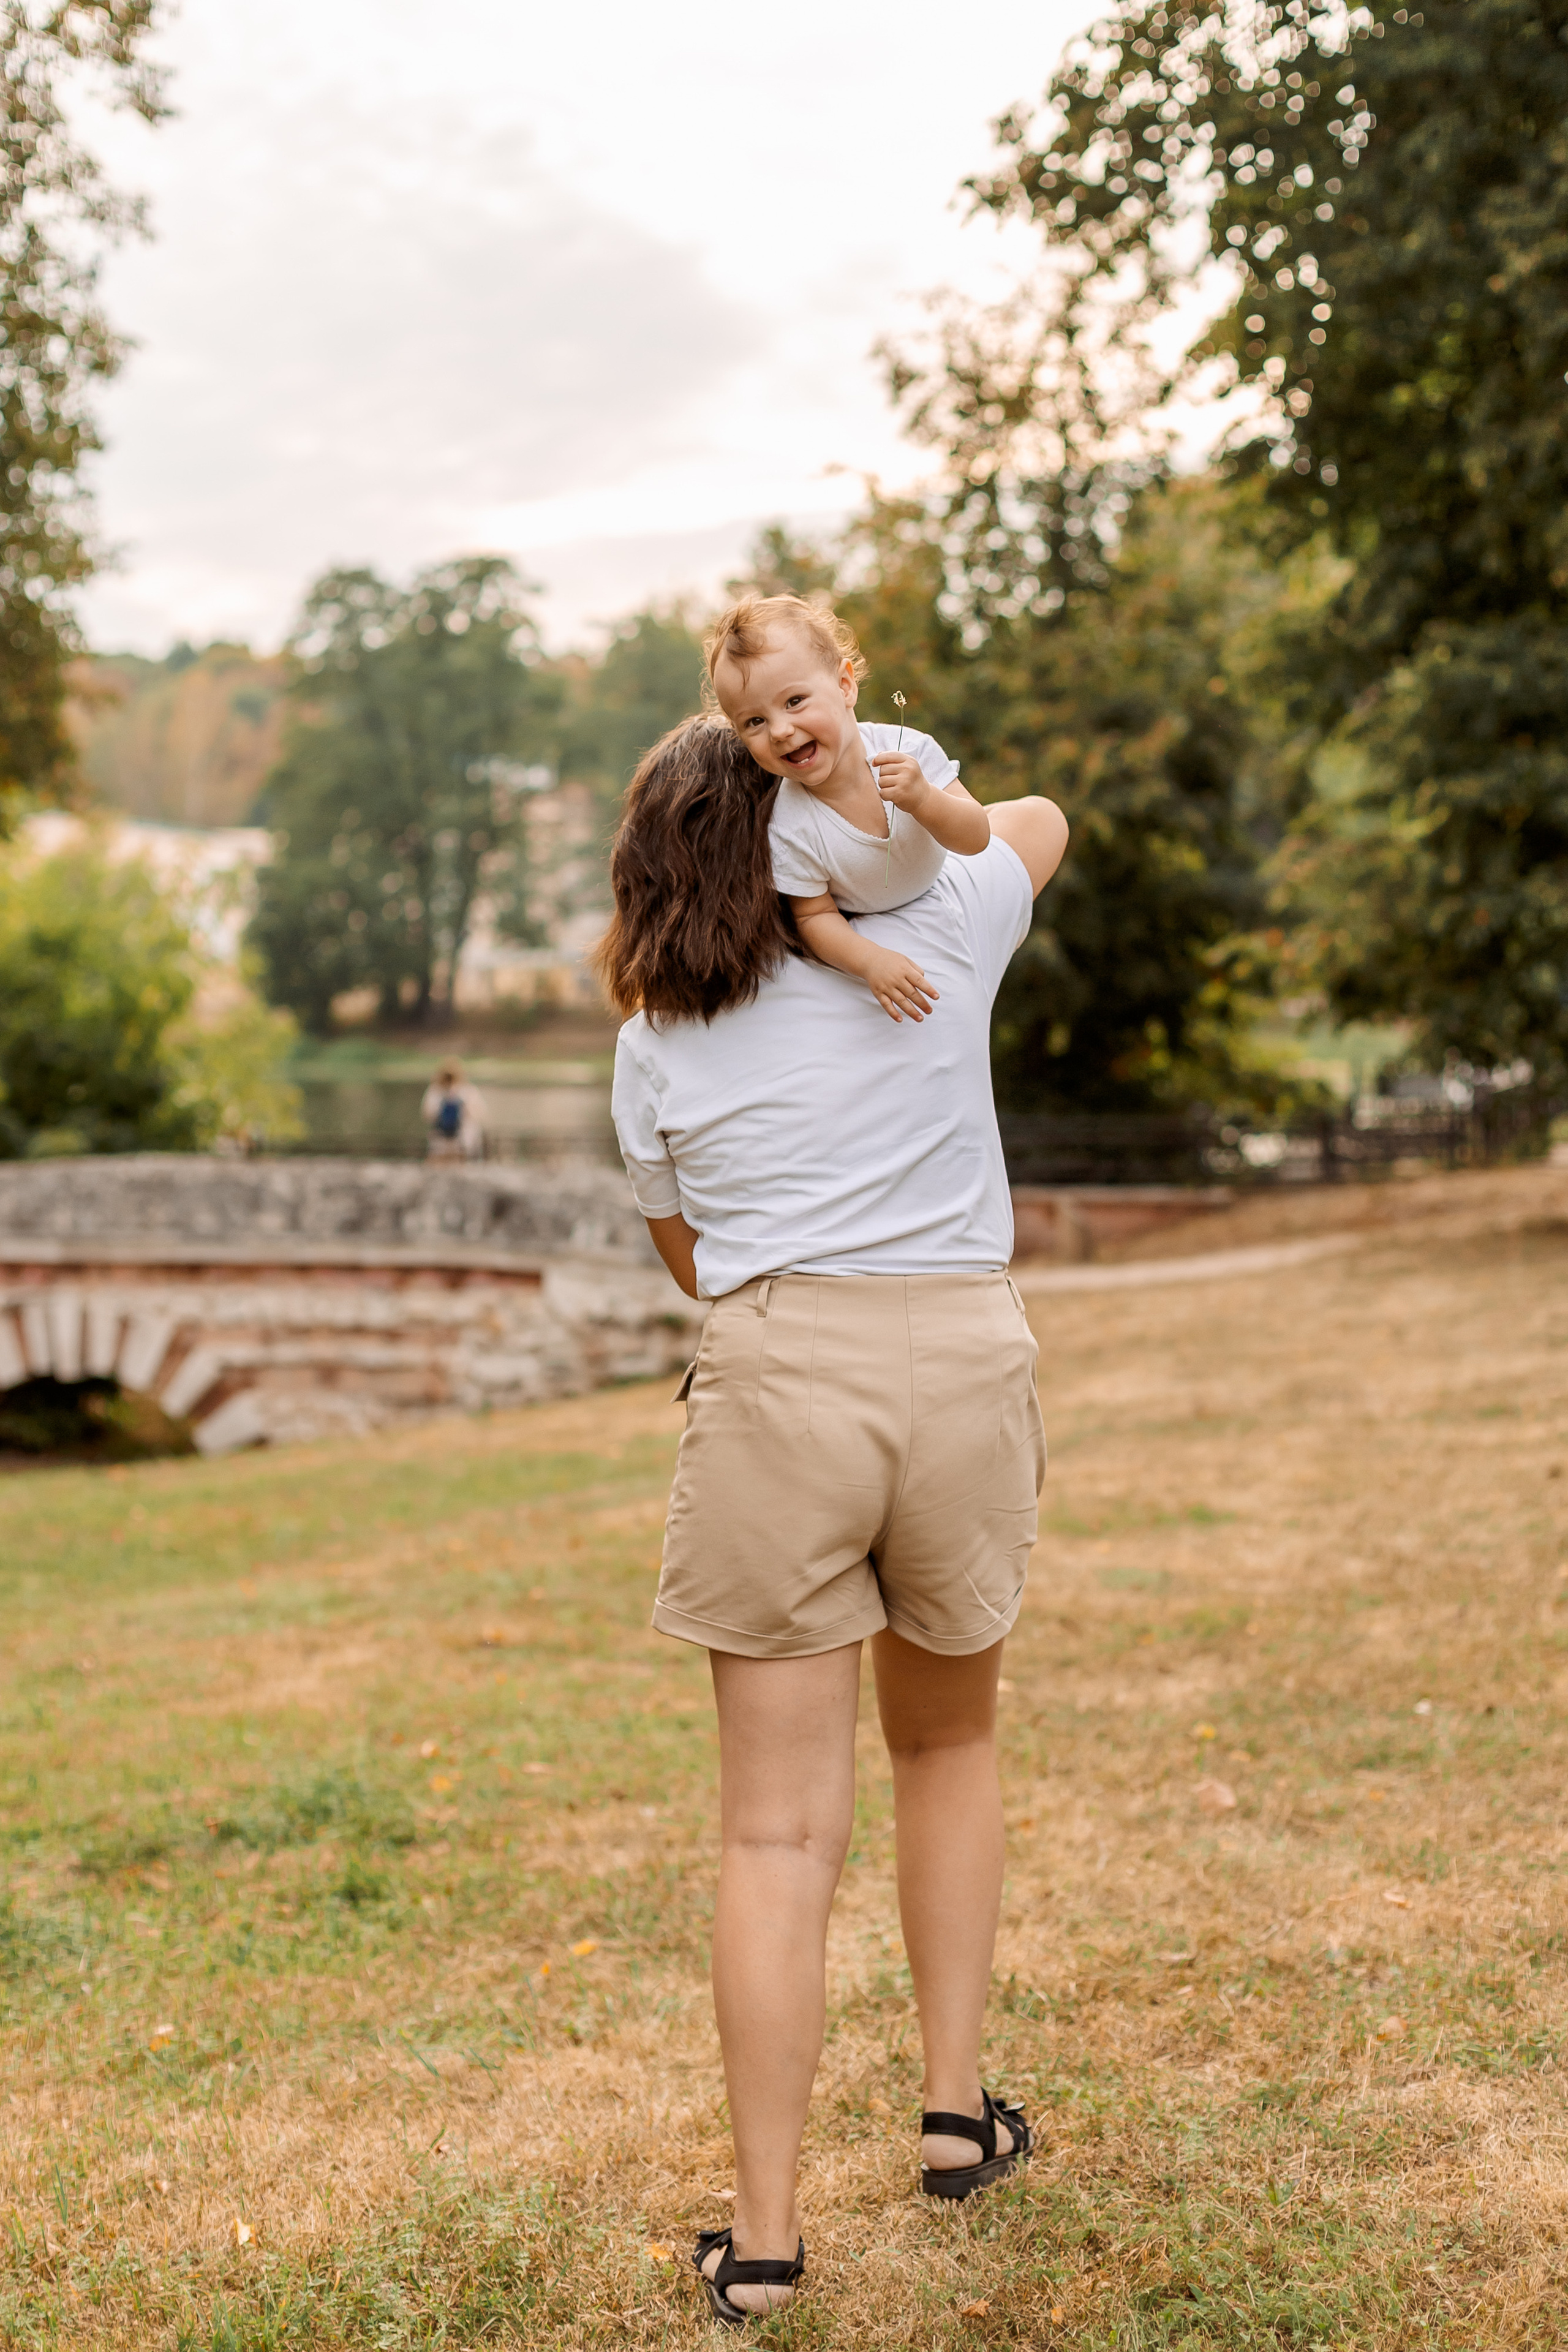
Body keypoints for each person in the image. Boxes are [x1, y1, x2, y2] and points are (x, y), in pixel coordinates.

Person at [598, 713, 1069, 2327]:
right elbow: (1043, 817)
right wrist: (866, 769)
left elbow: (689, 1256)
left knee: (774, 1832)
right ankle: (954, 2119)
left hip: (784, 1360)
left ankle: (771, 2235)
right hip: (959, 1348)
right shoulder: (944, 923)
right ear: (792, 829)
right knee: (949, 1744)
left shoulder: (657, 1039)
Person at [707, 590, 990, 1023]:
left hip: (943, 883)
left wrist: (925, 800)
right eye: (755, 722)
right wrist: (871, 961)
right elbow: (816, 915)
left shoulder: (907, 748)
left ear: (844, 685)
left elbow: (976, 837)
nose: (781, 731)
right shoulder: (790, 822)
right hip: (870, 920)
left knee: (1030, 818)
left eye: (794, 701)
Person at [420, 1062, 485, 1161]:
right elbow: (479, 1114)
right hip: (446, 1136)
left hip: (459, 1136)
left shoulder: (466, 1091)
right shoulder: (435, 1091)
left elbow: (427, 1115)